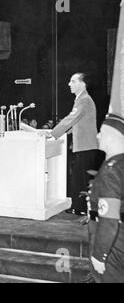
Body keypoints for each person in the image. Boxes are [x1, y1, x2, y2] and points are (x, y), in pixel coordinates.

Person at [48, 73, 98, 215]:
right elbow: (75, 122)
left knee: (81, 178)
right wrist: (60, 132)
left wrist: (53, 133)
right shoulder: (83, 99)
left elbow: (71, 118)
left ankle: (80, 208)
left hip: (85, 146)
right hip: (85, 146)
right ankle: (79, 206)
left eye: (73, 81)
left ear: (82, 84)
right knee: (80, 177)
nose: (69, 84)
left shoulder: (83, 100)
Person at [87, 114, 124, 283]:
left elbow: (109, 218)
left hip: (112, 239)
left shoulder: (111, 170)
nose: (97, 135)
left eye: (101, 132)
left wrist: (99, 254)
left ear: (112, 136)